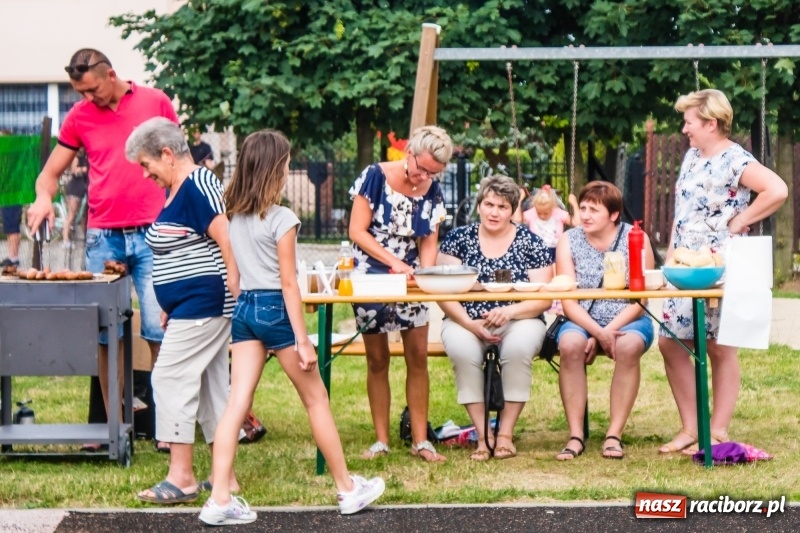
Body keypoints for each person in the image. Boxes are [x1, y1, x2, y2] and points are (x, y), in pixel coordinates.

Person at [199, 130, 384, 525]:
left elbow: (233, 280)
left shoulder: (232, 217)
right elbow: (288, 284)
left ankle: (219, 499)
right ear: (275, 169)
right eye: (285, 163)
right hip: (275, 310)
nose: (287, 169)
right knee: (316, 400)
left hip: (245, 309)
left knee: (235, 404)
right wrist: (302, 340)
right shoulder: (283, 219)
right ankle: (348, 489)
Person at [26, 48, 179, 449]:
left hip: (153, 234)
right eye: (80, 92)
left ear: (110, 75)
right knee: (105, 335)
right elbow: (49, 175)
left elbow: (180, 163)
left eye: (91, 90)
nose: (86, 99)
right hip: (102, 237)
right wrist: (44, 197)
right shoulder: (79, 117)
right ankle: (112, 427)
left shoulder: (155, 102)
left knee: (157, 330)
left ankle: (167, 428)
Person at [657, 89, 787, 454]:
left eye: (689, 122)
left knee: (719, 346)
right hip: (683, 266)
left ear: (711, 124)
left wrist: (740, 220)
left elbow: (777, 189)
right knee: (669, 341)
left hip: (719, 265)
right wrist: (671, 256)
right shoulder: (691, 157)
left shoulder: (736, 159)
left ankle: (715, 431)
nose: (684, 129)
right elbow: (682, 212)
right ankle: (690, 427)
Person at [124, 118, 240, 504]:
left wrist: (235, 286)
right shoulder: (177, 188)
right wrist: (170, 304)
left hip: (206, 302)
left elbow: (224, 235)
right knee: (211, 389)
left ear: (168, 155)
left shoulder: (198, 183)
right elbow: (185, 247)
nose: (145, 175)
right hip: (190, 305)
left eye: (146, 164)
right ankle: (225, 477)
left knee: (169, 377)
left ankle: (182, 476)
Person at [348, 125, 452, 462]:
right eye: (420, 168)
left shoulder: (432, 190)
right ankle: (381, 440)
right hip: (372, 271)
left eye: (432, 172)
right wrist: (393, 263)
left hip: (411, 277)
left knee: (417, 356)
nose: (423, 176)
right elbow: (357, 231)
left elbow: (429, 239)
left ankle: (421, 440)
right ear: (408, 153)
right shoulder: (374, 176)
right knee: (377, 359)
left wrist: (423, 271)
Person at [436, 175, 553, 461]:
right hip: (466, 318)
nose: (493, 212)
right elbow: (442, 291)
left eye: (502, 206)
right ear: (479, 206)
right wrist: (468, 323)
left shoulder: (530, 242)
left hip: (519, 317)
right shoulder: (457, 239)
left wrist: (510, 311)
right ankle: (482, 436)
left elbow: (544, 298)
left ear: (512, 210)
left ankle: (505, 434)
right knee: (463, 351)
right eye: (488, 204)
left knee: (517, 349)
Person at [554, 181, 655, 461]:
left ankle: (614, 434)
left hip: (627, 318)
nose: (584, 215)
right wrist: (596, 332)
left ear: (613, 215)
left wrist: (607, 332)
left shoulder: (636, 237)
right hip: (583, 318)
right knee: (570, 344)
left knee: (628, 346)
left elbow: (641, 300)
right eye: (583, 208)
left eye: (593, 210)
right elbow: (568, 301)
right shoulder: (568, 240)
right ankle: (575, 435)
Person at [523, 185, 580, 263]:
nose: (542, 216)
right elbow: (517, 219)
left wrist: (575, 204)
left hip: (556, 250)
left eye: (546, 213)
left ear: (552, 208)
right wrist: (519, 200)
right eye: (539, 213)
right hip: (536, 250)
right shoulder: (532, 212)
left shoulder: (558, 213)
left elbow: (576, 223)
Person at [62, 149, 88, 246]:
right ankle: (65, 239)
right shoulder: (77, 157)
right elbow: (74, 170)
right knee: (71, 214)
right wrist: (84, 169)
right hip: (75, 188)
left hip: (83, 188)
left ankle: (86, 237)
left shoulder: (87, 157)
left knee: (82, 215)